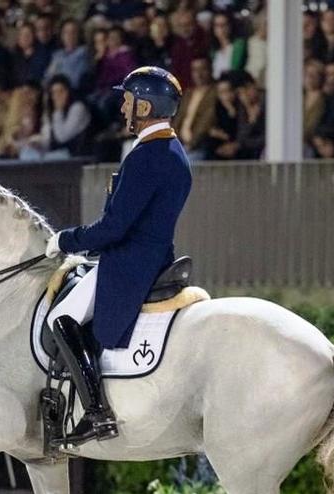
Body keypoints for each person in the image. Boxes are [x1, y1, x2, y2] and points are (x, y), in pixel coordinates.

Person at [41, 66, 191, 448]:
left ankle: (97, 413)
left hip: (131, 262)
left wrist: (66, 240)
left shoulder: (149, 157)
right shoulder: (170, 150)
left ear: (145, 105)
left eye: (128, 100)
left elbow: (114, 227)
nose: (123, 107)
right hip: (148, 254)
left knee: (62, 318)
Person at [174, 56, 216, 160]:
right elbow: (179, 118)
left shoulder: (215, 93)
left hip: (198, 146)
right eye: (195, 70)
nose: (199, 74)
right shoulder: (189, 93)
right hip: (180, 144)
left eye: (203, 69)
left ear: (210, 70)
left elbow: (206, 121)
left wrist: (192, 144)